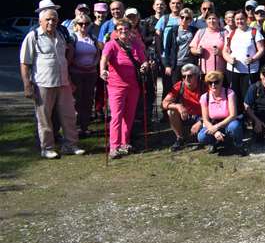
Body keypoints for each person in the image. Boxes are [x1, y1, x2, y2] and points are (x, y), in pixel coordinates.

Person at [19, 2, 85, 158]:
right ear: (40, 21)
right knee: (44, 117)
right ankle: (47, 148)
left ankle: (70, 145)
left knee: (69, 115)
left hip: (63, 82)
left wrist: (68, 78)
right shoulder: (33, 36)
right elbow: (24, 63)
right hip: (43, 83)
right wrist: (27, 85)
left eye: (54, 19)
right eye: (48, 19)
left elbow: (63, 59)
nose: (51, 22)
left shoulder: (61, 35)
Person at [99, 17, 149, 158]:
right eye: (120, 29)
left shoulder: (135, 45)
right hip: (116, 86)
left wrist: (145, 65)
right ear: (116, 31)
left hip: (133, 86)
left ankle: (124, 142)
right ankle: (114, 147)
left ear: (131, 31)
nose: (123, 32)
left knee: (129, 116)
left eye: (126, 29)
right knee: (116, 116)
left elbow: (143, 60)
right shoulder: (111, 44)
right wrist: (103, 70)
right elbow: (104, 59)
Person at [223, 10, 265, 115]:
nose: (239, 21)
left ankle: (250, 118)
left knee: (248, 95)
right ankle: (237, 117)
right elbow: (225, 51)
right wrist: (229, 59)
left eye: (242, 18)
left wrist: (253, 59)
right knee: (235, 95)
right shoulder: (231, 34)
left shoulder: (254, 32)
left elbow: (261, 49)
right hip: (233, 70)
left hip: (250, 70)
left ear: (247, 19)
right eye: (237, 19)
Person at [198, 70, 245, 156]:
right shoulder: (204, 97)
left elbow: (233, 115)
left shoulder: (229, 93)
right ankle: (214, 143)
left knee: (234, 126)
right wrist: (214, 131)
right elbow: (205, 119)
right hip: (213, 123)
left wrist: (217, 127)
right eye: (210, 83)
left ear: (221, 82)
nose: (213, 85)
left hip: (228, 122)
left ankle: (239, 145)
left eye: (216, 82)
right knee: (201, 136)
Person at [69, 14, 100, 138]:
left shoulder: (92, 37)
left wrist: (94, 64)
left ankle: (85, 126)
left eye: (86, 23)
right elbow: (70, 57)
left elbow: (98, 54)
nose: (83, 26)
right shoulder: (73, 38)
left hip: (91, 74)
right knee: (76, 100)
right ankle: (75, 127)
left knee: (88, 100)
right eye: (80, 23)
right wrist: (78, 65)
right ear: (76, 25)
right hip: (76, 74)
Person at [161, 63, 204, 151]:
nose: (186, 79)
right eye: (184, 76)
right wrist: (178, 106)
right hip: (186, 115)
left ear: (197, 76)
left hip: (203, 117)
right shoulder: (179, 85)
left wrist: (201, 121)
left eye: (190, 76)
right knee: (171, 111)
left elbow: (213, 108)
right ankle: (180, 139)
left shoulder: (204, 86)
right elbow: (163, 104)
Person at [155, 0, 185, 95]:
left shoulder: (186, 19)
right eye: (173, 3)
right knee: (168, 88)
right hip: (167, 58)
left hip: (182, 58)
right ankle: (166, 110)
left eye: (178, 3)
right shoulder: (164, 19)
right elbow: (158, 39)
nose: (175, 5)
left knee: (182, 88)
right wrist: (162, 57)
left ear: (182, 5)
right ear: (169, 5)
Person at [161, 7, 197, 85]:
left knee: (189, 86)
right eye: (182, 17)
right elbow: (167, 49)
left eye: (187, 18)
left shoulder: (194, 31)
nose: (184, 19)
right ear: (179, 18)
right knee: (176, 87)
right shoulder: (173, 30)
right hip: (176, 64)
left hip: (189, 63)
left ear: (190, 20)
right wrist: (167, 65)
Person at [190, 9, 227, 76]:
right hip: (203, 70)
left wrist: (220, 53)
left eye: (214, 18)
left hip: (220, 71)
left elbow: (229, 51)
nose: (211, 21)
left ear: (218, 19)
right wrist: (197, 51)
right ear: (206, 20)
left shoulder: (224, 32)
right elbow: (192, 49)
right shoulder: (200, 32)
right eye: (209, 18)